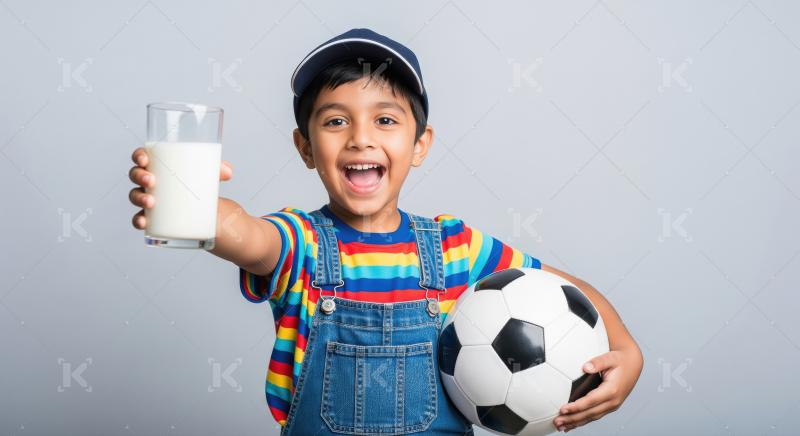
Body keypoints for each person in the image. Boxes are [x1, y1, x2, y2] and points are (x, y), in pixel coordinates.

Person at [128, 28, 643, 435]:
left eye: (386, 120)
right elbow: (245, 234)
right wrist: (190, 203)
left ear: (420, 144)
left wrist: (627, 352)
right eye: (334, 122)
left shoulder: (456, 249)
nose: (359, 138)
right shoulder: (300, 245)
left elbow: (568, 293)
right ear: (305, 148)